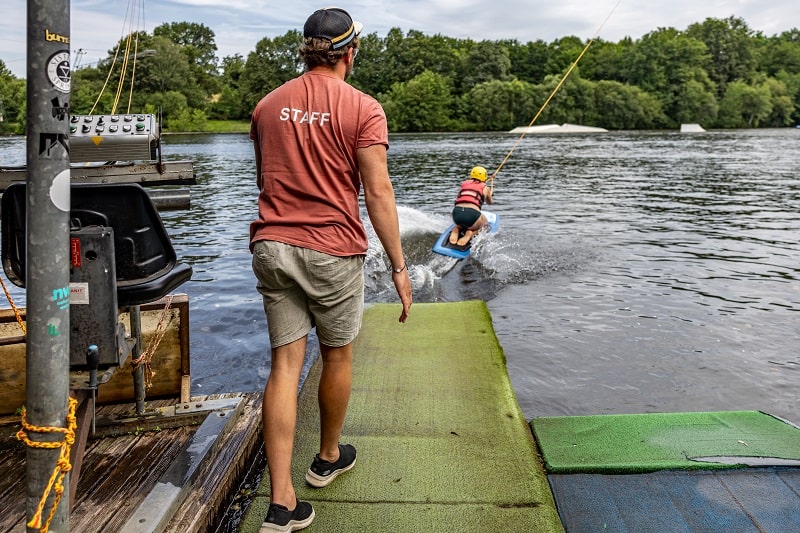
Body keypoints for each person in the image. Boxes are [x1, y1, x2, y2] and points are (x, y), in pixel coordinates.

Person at [249, 6, 412, 532]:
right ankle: (326, 458)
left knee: (285, 365)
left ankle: (281, 503)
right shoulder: (364, 108)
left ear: (306, 51)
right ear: (350, 52)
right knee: (336, 354)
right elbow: (378, 192)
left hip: (273, 244)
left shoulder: (267, 105)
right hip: (332, 249)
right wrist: (399, 266)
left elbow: (267, 178)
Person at [448, 165, 494, 247]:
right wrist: (490, 193)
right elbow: (490, 202)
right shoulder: (486, 188)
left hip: (456, 214)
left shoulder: (464, 184)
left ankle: (457, 228)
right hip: (472, 215)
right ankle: (470, 233)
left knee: (461, 224)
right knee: (485, 225)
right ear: (484, 177)